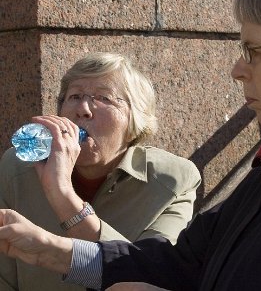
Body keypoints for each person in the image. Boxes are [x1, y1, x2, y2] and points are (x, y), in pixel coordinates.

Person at [1, 0, 261, 290]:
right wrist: (50, 250)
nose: (237, 69)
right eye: (73, 95)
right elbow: (178, 264)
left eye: (253, 50)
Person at [0, 53, 201, 291]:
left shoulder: (173, 180)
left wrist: (62, 193)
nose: (83, 109)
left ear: (135, 120)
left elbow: (150, 278)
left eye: (104, 98)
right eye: (74, 96)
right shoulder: (19, 165)